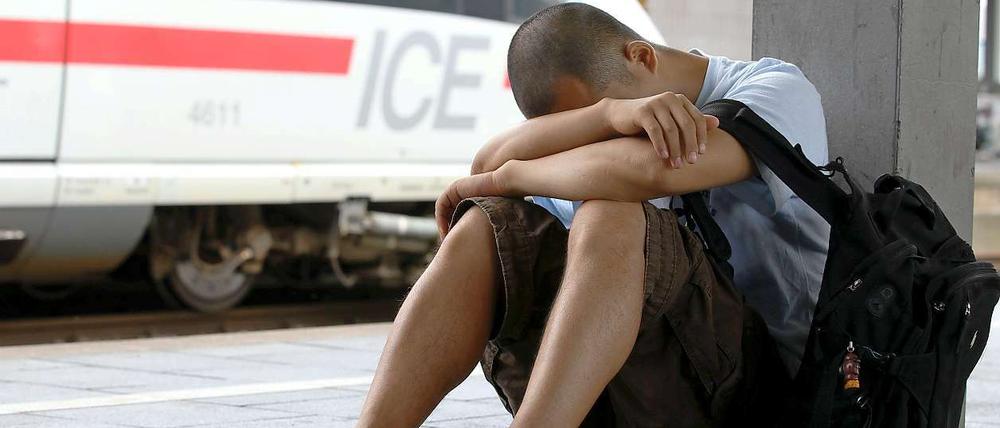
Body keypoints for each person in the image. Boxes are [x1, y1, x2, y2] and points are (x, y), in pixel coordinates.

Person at [358, 3, 829, 427]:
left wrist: (509, 178)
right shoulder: (609, 119)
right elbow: (487, 163)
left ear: (641, 57)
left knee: (611, 211)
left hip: (769, 391)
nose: (594, 149)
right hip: (653, 376)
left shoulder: (774, 90)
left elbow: (650, 172)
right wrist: (607, 115)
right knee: (488, 226)